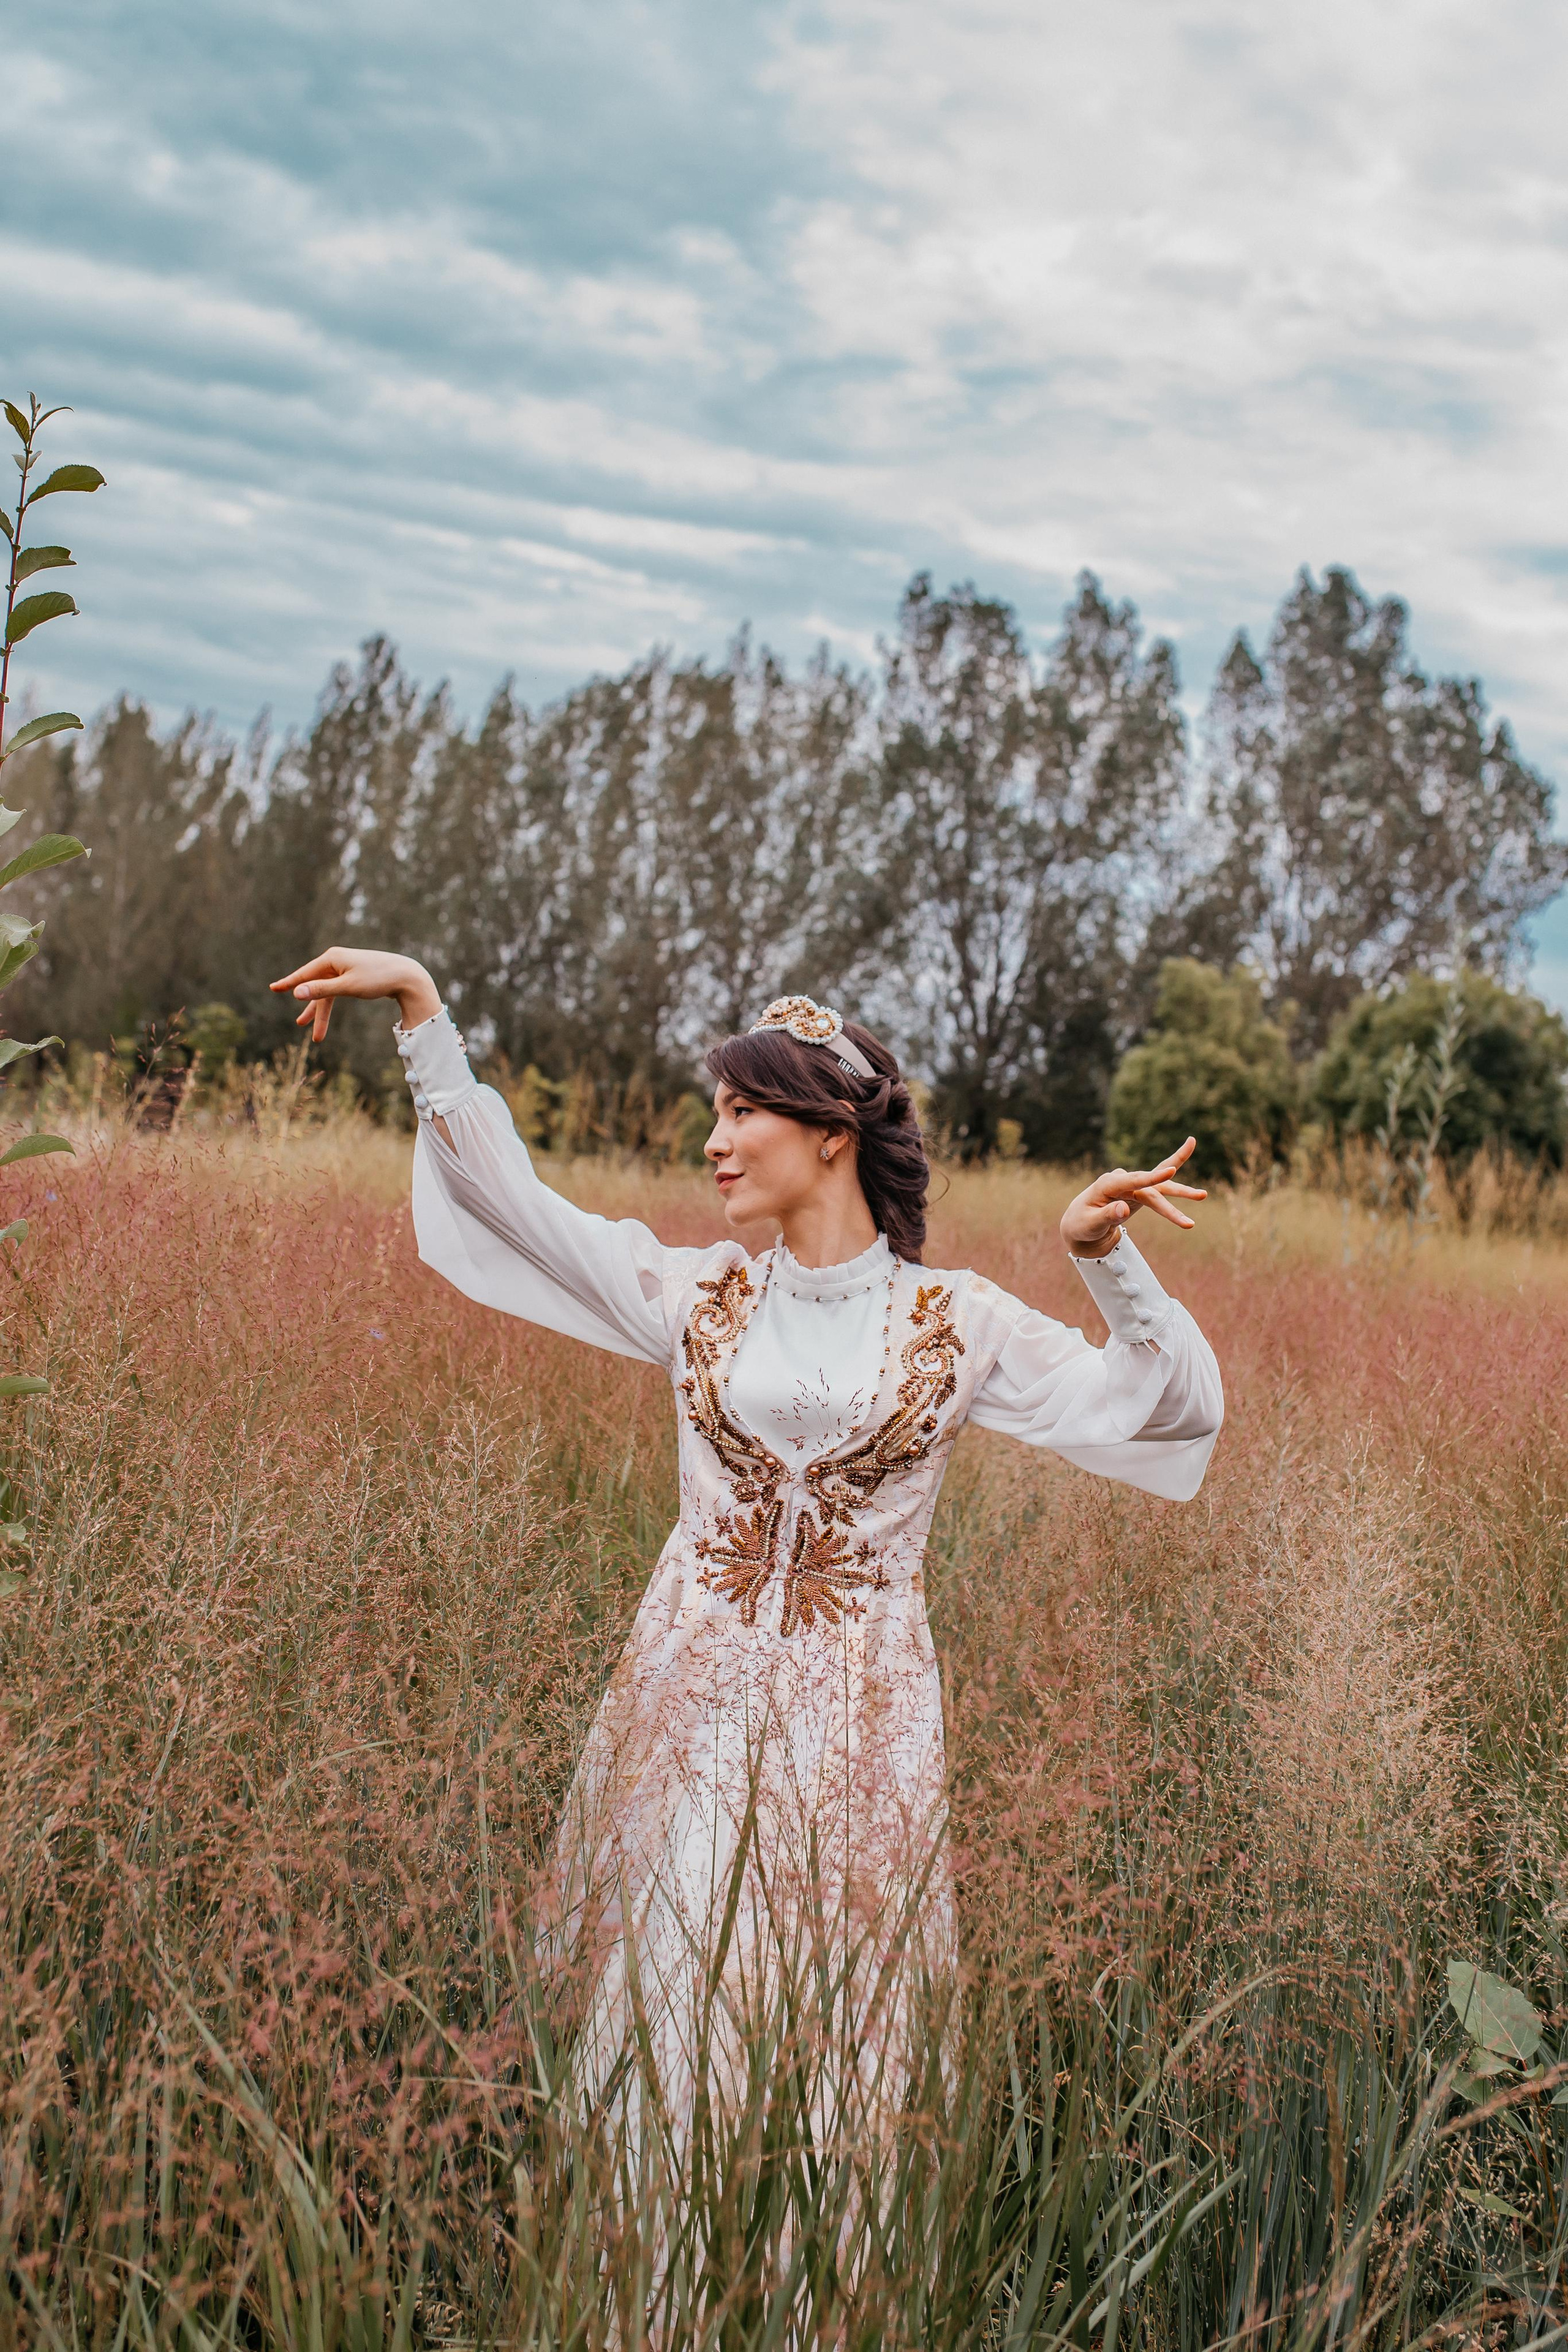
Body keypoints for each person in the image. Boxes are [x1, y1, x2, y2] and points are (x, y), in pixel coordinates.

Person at [271, 949, 1224, 2163]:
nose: (714, 1143)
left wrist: (1103, 1256)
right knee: (671, 2005)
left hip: (857, 1718)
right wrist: (422, 1015)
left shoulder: (958, 1324)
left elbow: (1155, 1406)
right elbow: (516, 1207)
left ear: (829, 1130)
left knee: (837, 2035)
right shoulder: (694, 1296)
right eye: (714, 1114)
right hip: (695, 1699)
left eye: (740, 1112)